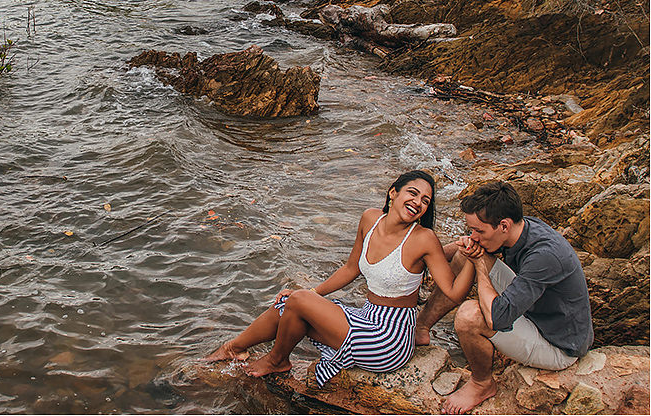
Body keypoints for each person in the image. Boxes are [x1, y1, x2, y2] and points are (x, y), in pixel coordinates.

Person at [204, 170, 476, 387]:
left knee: (298, 302)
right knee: (289, 306)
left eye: (425, 201)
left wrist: (475, 262)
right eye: (413, 193)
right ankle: (232, 348)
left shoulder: (423, 239)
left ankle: (277, 360)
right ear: (393, 192)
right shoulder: (370, 219)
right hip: (368, 315)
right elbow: (350, 269)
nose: (418, 203)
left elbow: (452, 292)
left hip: (390, 337)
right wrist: (313, 294)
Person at [414, 181, 594, 415]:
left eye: (479, 231)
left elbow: (497, 318)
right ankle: (421, 327)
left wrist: (480, 264)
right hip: (538, 310)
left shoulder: (545, 256)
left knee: (470, 316)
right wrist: (420, 255)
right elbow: (466, 248)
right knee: (463, 255)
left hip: (558, 345)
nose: (473, 235)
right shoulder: (520, 228)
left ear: (503, 226)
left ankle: (481, 384)